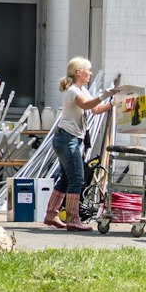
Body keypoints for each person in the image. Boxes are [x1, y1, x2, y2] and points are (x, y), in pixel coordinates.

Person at [48, 58, 115, 232]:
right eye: (88, 70)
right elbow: (86, 104)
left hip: (69, 138)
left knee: (65, 178)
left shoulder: (81, 89)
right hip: (67, 139)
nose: (91, 73)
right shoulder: (73, 91)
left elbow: (95, 109)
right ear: (79, 72)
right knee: (77, 178)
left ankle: (51, 214)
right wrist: (103, 95)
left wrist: (113, 103)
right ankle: (73, 219)